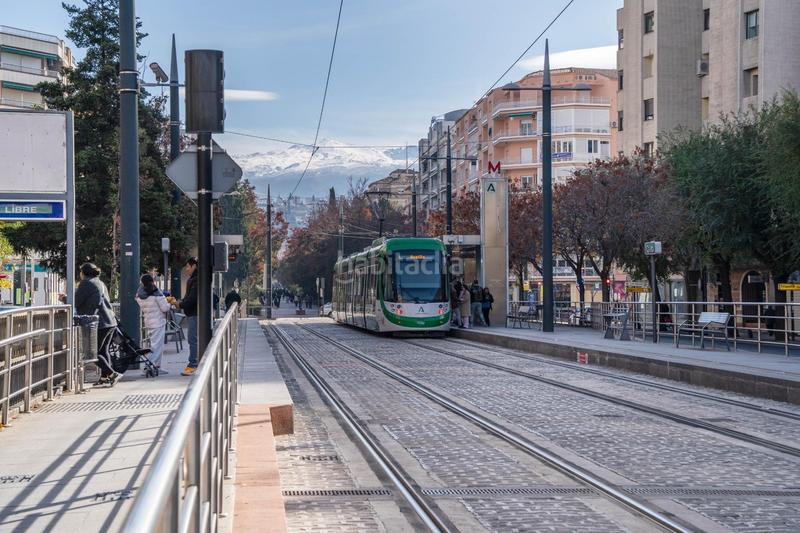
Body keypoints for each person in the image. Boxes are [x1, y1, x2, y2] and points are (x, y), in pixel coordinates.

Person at [74, 262, 120, 385]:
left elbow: (77, 301)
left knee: (92, 353)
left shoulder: (86, 283)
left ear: (83, 273)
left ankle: (111, 373)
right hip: (110, 321)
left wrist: (64, 298)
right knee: (103, 351)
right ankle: (105, 377)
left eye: (80, 272)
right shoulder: (100, 282)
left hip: (98, 323)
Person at [135, 274, 171, 374]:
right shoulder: (157, 293)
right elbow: (165, 308)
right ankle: (150, 365)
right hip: (158, 322)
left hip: (148, 321)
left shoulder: (139, 295)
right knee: (157, 346)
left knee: (154, 344)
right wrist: (170, 303)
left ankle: (157, 367)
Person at [175, 257, 198, 376]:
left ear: (194, 266)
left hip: (195, 314)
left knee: (193, 340)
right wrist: (180, 302)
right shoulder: (193, 280)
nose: (187, 269)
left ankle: (193, 364)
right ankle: (195, 362)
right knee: (194, 339)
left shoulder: (196, 280)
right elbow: (188, 297)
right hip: (194, 313)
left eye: (188, 267)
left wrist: (180, 304)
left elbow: (191, 299)